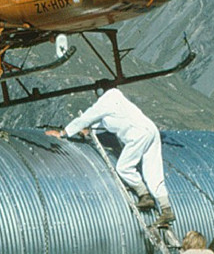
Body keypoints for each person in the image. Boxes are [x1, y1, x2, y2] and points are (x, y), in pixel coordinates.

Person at [47, 87, 174, 228]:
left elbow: (86, 117)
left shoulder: (105, 102)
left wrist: (64, 133)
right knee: (152, 171)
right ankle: (166, 208)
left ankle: (144, 194)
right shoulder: (120, 102)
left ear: (99, 93)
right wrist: (88, 132)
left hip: (138, 134)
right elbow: (106, 122)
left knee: (124, 167)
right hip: (151, 130)